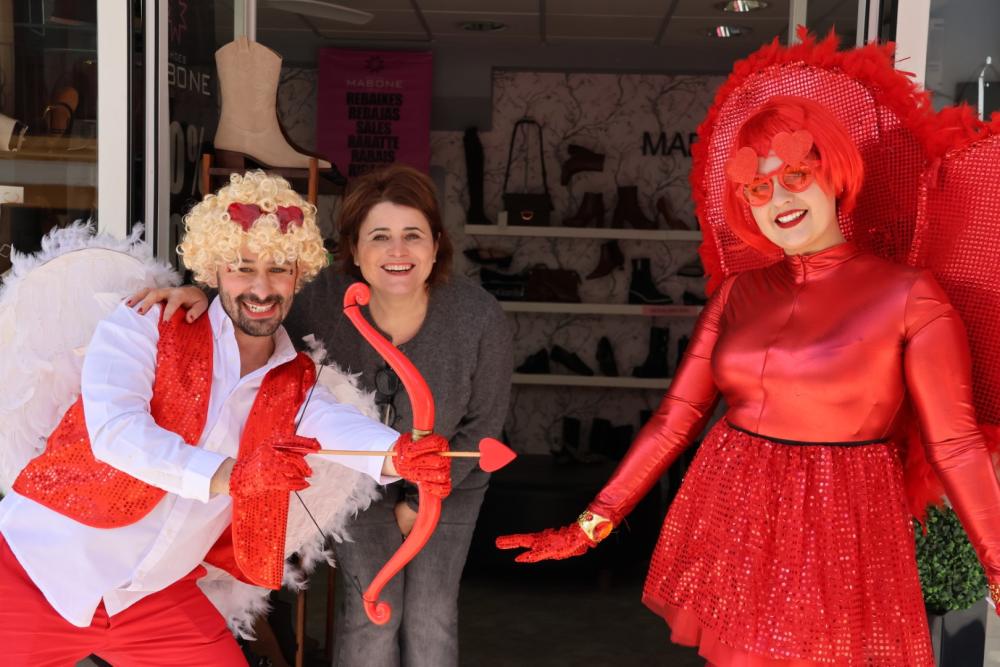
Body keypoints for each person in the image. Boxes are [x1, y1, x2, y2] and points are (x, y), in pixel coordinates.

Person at [496, 94, 1000, 666]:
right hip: (735, 517)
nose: (779, 199)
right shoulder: (739, 292)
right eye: (758, 189)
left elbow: (954, 443)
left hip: (840, 523)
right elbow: (676, 418)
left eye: (794, 176)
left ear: (833, 175)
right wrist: (592, 523)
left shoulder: (910, 294)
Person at [0, 170, 452, 666]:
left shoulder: (297, 382)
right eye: (242, 267)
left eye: (280, 268)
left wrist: (398, 455)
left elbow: (340, 429)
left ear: (299, 276)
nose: (262, 286)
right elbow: (115, 433)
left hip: (150, 599)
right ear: (213, 269)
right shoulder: (143, 323)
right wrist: (229, 476)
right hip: (33, 571)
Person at [132, 163, 513, 667]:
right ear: (354, 249)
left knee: (431, 615)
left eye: (412, 236)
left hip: (449, 485)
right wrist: (194, 293)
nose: (397, 252)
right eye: (380, 236)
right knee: (370, 613)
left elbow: (484, 424)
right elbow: (254, 298)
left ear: (436, 244)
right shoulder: (321, 301)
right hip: (354, 484)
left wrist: (419, 502)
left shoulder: (479, 315)